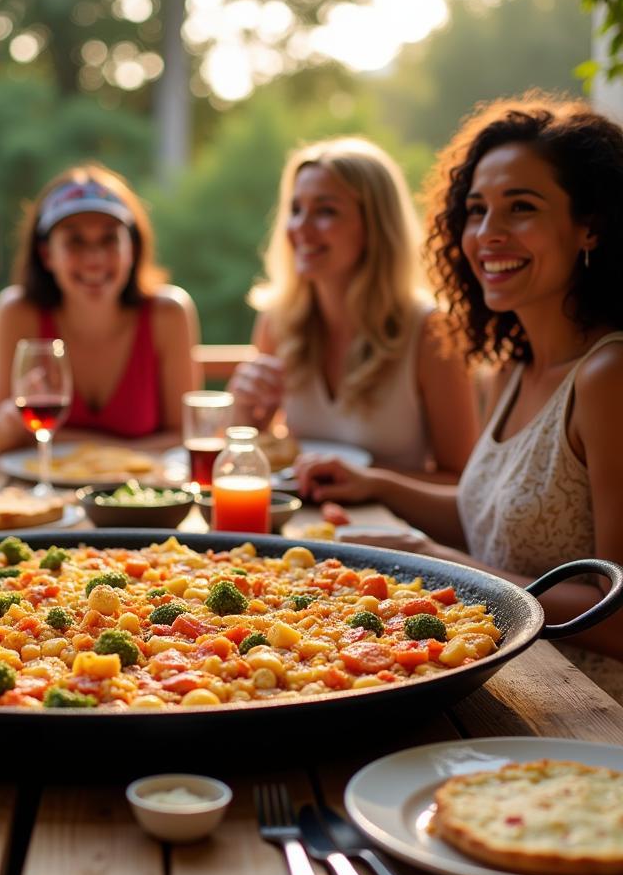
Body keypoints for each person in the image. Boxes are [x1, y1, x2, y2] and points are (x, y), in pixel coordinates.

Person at [296, 94, 623, 666]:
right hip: (495, 666)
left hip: (581, 711)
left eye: (521, 207)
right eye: (476, 210)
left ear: (589, 227)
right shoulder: (513, 368)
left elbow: (616, 619)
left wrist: (430, 557)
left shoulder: (607, 377)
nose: (488, 233)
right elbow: (492, 516)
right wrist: (376, 484)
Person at [228, 136, 477, 478]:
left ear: (375, 227)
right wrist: (246, 418)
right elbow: (263, 462)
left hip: (390, 528)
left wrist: (371, 483)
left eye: (326, 211)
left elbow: (461, 483)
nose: (301, 227)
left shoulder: (432, 331)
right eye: (296, 209)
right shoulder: (278, 321)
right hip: (304, 525)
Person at [0, 164, 202, 452]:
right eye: (75, 241)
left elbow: (187, 437)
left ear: (133, 250)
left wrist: (92, 456)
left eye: (109, 239)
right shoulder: (17, 312)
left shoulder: (169, 313)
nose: (94, 258)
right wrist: (11, 420)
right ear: (47, 254)